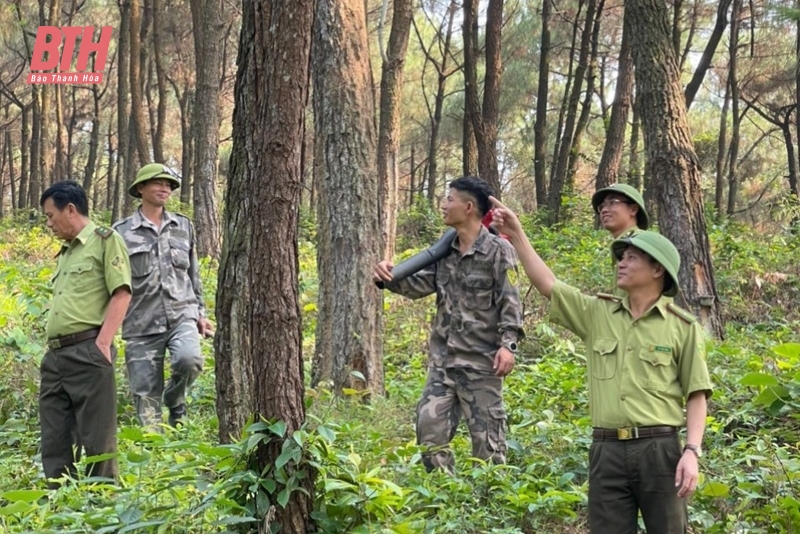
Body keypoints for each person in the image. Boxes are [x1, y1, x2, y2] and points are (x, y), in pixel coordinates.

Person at [489, 196, 712, 534]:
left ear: (657, 270)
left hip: (660, 449)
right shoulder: (598, 313)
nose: (621, 263)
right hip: (606, 450)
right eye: (621, 257)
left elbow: (697, 393)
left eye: (632, 257)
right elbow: (549, 284)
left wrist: (692, 452)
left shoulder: (681, 326)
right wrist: (517, 234)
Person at [373, 177, 524, 473]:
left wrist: (509, 346)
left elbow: (512, 303)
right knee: (429, 432)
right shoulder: (444, 252)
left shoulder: (499, 251)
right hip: (443, 364)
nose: (444, 204)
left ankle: (488, 509)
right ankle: (445, 498)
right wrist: (387, 278)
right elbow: (417, 286)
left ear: (468, 207)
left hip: (481, 365)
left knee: (489, 446)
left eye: (450, 199)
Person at [39, 181, 132, 488]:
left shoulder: (105, 240)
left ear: (70, 209)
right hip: (55, 357)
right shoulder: (65, 252)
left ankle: (100, 505)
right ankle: (59, 502)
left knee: (97, 440)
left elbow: (121, 293)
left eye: (52, 216)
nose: (49, 223)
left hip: (88, 351)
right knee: (54, 437)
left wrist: (103, 343)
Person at [113, 163, 213, 429]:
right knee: (146, 398)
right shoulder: (120, 232)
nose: (165, 188)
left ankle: (176, 399)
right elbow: (112, 282)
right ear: (141, 188)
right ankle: (154, 451)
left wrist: (201, 314)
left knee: (189, 360)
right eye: (158, 183)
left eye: (169, 185)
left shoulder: (183, 226)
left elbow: (193, 274)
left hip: (182, 314)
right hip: (141, 322)